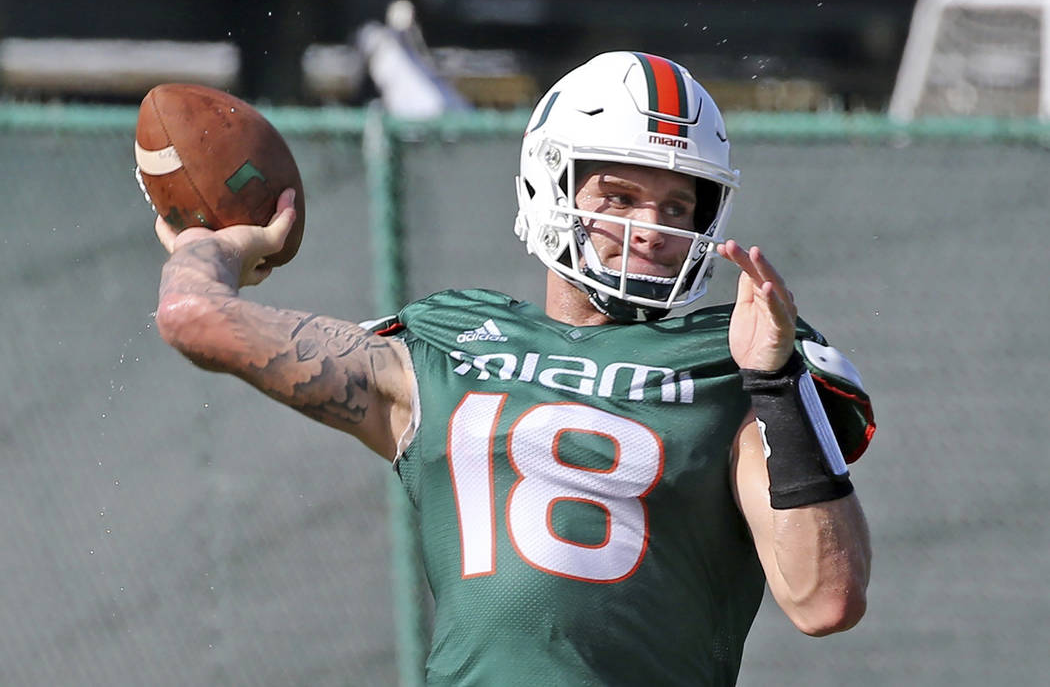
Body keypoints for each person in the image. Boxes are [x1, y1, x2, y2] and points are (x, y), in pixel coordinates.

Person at [152, 51, 874, 686]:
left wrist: (777, 381)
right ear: (549, 185)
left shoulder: (734, 360)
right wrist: (219, 243)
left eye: (676, 205)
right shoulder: (449, 341)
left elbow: (824, 600)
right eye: (620, 198)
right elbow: (196, 319)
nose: (651, 229)